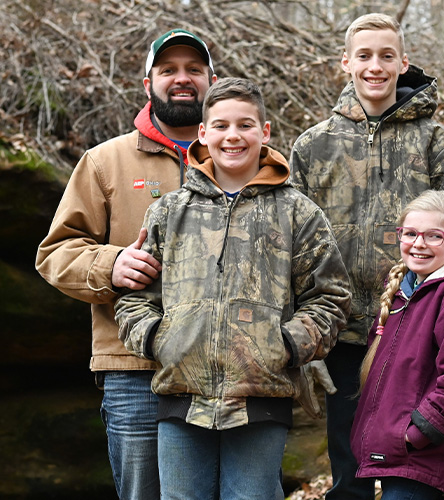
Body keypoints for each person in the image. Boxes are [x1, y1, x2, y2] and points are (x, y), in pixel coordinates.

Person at [114, 77, 351, 500]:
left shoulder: (298, 212)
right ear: (203, 134)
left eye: (245, 125)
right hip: (181, 397)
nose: (233, 136)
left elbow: (330, 298)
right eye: (221, 125)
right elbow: (134, 297)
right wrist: (158, 338)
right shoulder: (170, 211)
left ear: (265, 132)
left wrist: (285, 345)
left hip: (261, 401)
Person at [35, 28, 217, 500]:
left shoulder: (242, 157)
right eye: (169, 70)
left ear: (212, 81)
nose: (182, 79)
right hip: (134, 367)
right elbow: (55, 253)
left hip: (225, 368)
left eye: (194, 70)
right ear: (148, 83)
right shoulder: (104, 162)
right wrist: (111, 265)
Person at [290, 13, 444, 500]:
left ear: (404, 62)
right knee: (348, 458)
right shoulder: (313, 146)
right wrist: (305, 334)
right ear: (346, 62)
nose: (375, 66)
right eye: (364, 55)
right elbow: (292, 245)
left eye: (387, 56)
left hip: (413, 321)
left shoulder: (435, 140)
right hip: (340, 327)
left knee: (413, 454)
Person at [349, 190, 444, 500]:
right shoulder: (406, 292)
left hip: (424, 458)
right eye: (411, 233)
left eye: (434, 236)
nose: (419, 244)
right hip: (396, 456)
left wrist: (415, 434)